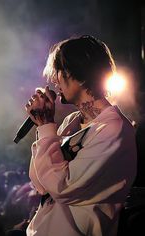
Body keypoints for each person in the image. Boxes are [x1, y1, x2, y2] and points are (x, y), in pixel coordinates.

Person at [25, 35, 137, 236]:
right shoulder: (72, 122)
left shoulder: (113, 129)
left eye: (59, 70)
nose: (54, 79)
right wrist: (43, 127)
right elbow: (41, 184)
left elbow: (62, 187)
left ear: (83, 75)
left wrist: (47, 126)